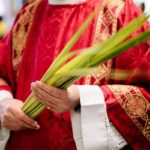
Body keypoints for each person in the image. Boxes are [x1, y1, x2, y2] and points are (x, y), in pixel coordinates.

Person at [0, 0, 150, 149]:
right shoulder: (28, 13)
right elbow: (3, 73)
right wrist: (4, 103)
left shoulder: (121, 11)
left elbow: (145, 95)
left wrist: (81, 97)